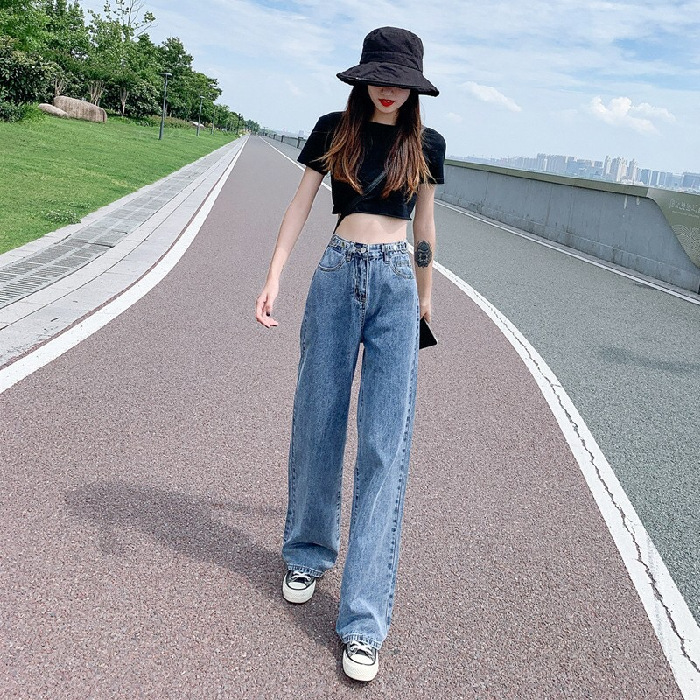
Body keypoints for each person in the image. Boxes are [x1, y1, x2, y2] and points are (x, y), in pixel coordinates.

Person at [255, 26, 445, 682]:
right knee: (318, 423)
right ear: (362, 78)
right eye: (379, 77)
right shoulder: (334, 130)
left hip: (397, 285)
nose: (389, 90)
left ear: (415, 88)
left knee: (384, 447)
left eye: (401, 81)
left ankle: (363, 621)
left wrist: (425, 295)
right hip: (336, 274)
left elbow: (424, 227)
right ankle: (308, 552)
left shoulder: (427, 145)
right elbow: (300, 205)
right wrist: (275, 274)